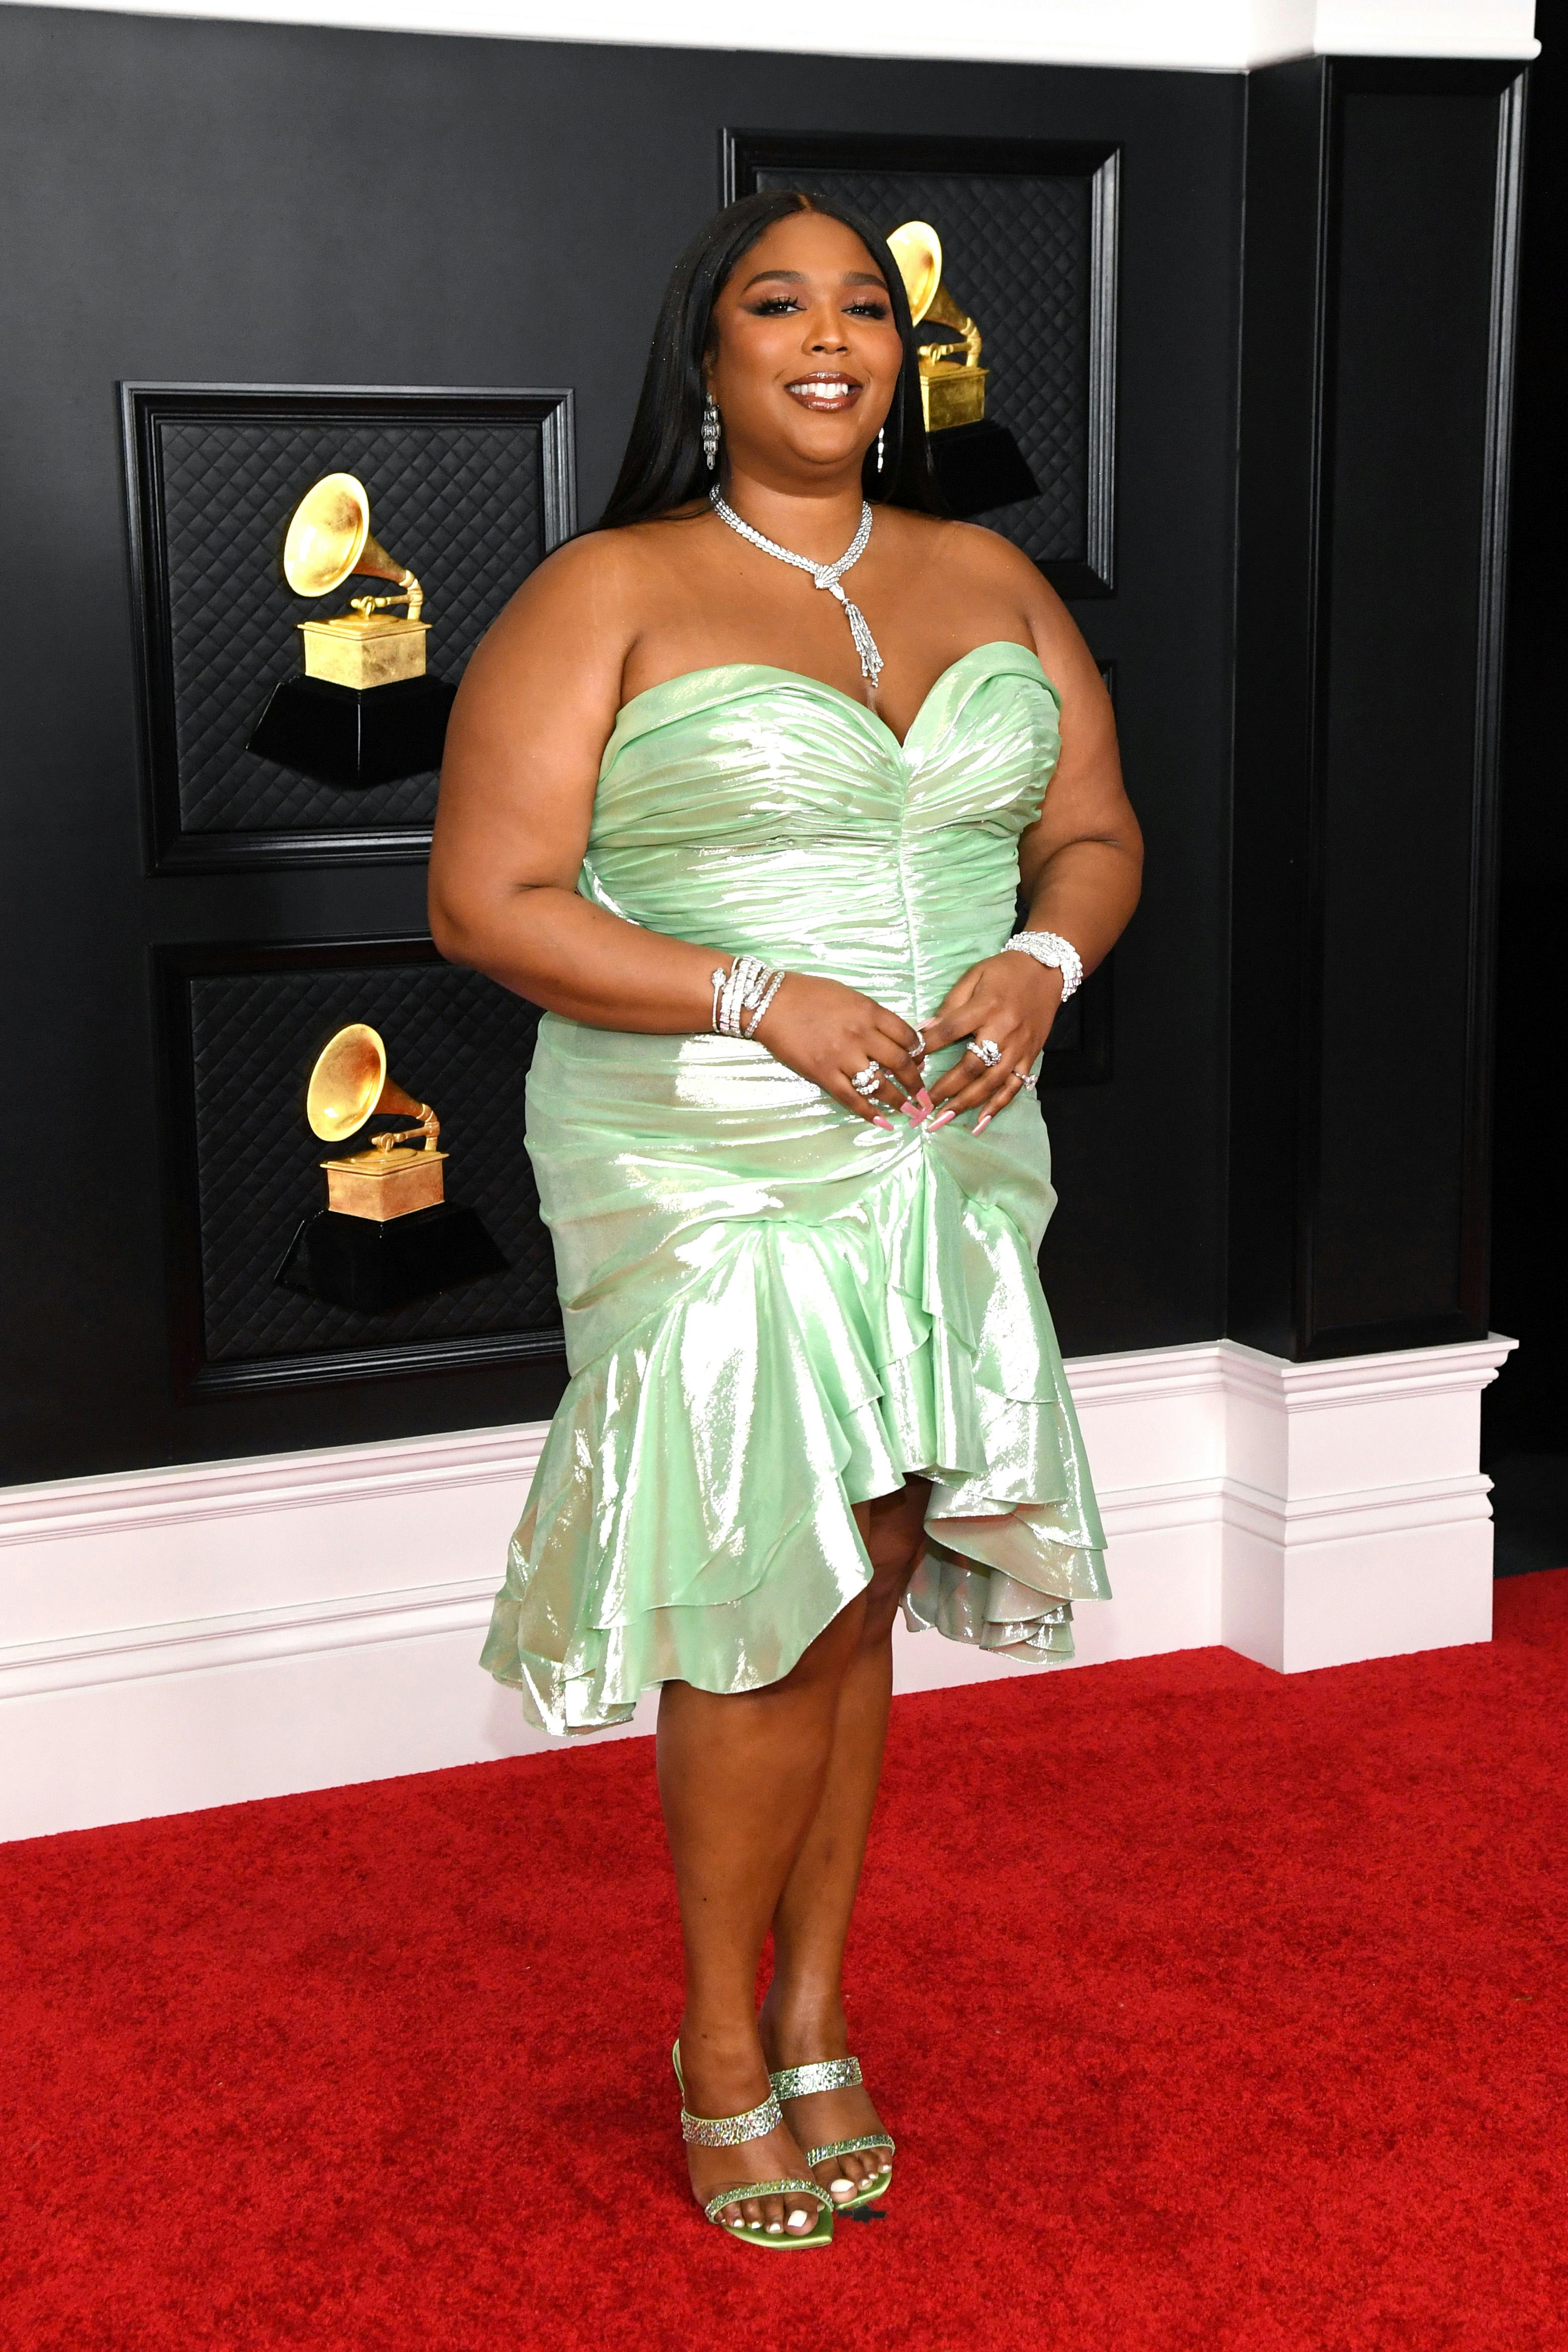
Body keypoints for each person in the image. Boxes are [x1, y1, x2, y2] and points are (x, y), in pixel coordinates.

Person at [428, 189, 1142, 2249]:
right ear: (710, 353)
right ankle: (718, 2045)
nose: (833, 338)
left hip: (946, 1141)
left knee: (873, 1561)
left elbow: (1095, 832)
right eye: (779, 303)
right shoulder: (610, 588)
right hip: (706, 1143)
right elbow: (485, 902)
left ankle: (818, 2013)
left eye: (865, 310)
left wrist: (1045, 965)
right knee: (761, 1580)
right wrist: (759, 997)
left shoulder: (991, 575)